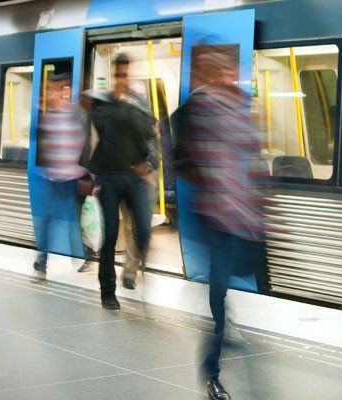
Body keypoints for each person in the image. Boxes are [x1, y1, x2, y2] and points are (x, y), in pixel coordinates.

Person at [172, 43, 267, 400]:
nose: (225, 75)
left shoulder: (239, 106)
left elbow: (252, 152)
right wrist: (212, 188)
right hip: (214, 216)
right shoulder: (189, 111)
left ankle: (225, 321)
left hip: (242, 214)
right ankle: (211, 371)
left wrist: (257, 201)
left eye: (228, 68)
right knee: (218, 289)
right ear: (203, 72)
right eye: (217, 68)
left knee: (230, 280)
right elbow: (183, 163)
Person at [86, 53, 156, 310]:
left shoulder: (138, 104)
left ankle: (138, 272)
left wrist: (148, 164)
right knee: (111, 234)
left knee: (144, 229)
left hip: (134, 176)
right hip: (110, 177)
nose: (122, 79)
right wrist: (117, 102)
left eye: (126, 74)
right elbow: (99, 128)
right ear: (114, 77)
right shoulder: (102, 104)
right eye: (119, 75)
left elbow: (150, 134)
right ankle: (107, 290)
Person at [32, 72, 92, 279]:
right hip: (53, 180)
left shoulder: (76, 115)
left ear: (63, 91)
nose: (50, 94)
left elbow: (85, 147)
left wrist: (85, 176)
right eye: (49, 90)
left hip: (72, 180)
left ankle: (80, 260)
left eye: (54, 89)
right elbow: (45, 148)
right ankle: (42, 261)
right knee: (48, 220)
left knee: (72, 221)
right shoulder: (47, 118)